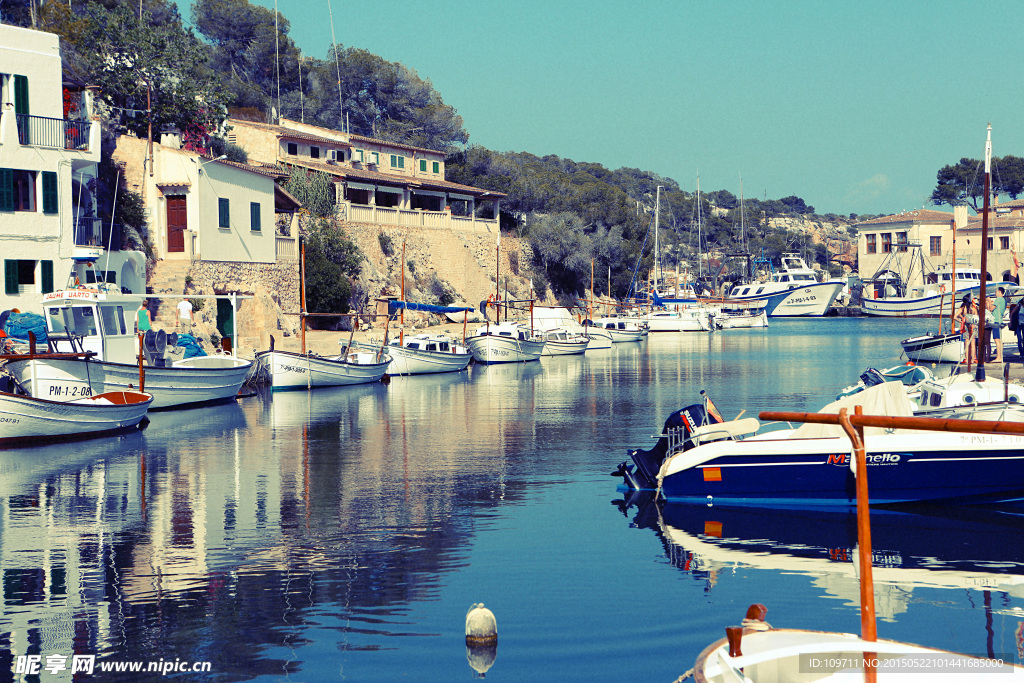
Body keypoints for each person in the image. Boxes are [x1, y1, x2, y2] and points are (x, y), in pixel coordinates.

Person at [955, 293, 978, 366]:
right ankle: (973, 359)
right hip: (973, 325)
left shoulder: (962, 308)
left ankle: (967, 359)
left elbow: (954, 317)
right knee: (973, 343)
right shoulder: (974, 308)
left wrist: (962, 320)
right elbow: (976, 317)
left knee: (966, 343)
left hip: (966, 325)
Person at [992, 286, 1007, 363]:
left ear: (1000, 292)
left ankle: (999, 357)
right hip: (1000, 320)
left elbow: (991, 308)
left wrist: (988, 301)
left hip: (996, 320)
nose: (995, 293)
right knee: (999, 340)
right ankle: (1000, 357)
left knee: (997, 339)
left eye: (996, 292)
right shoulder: (1004, 300)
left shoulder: (998, 299)